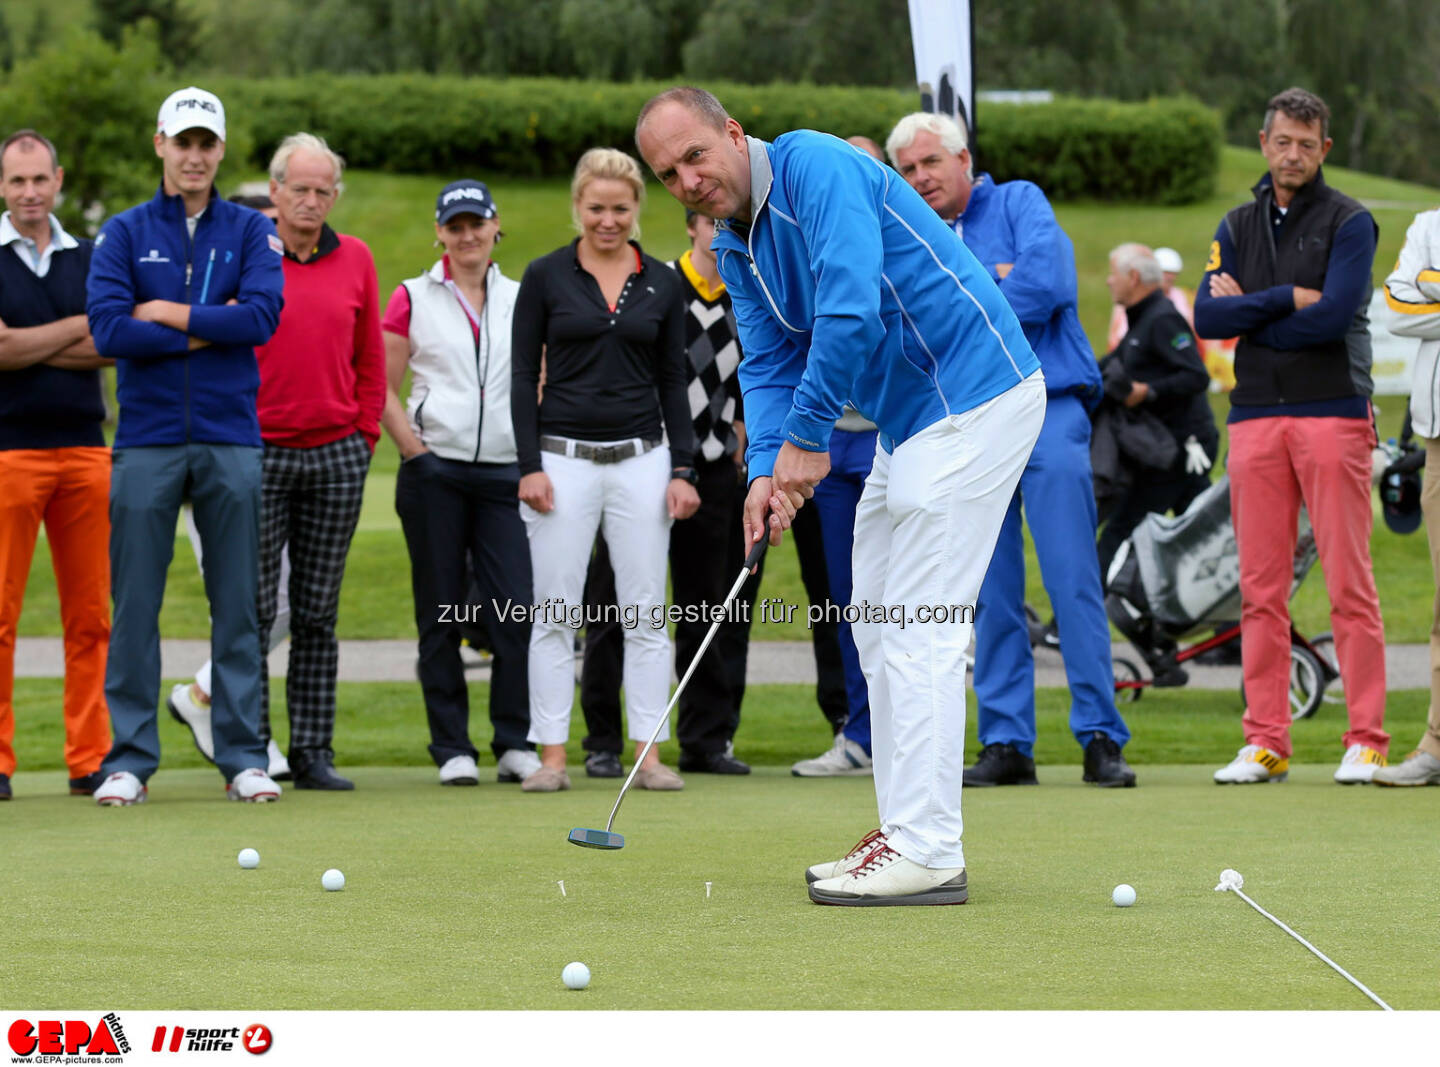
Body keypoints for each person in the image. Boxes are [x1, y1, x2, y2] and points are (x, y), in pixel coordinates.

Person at [637, 87, 1045, 906]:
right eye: (667, 174)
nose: (685, 180)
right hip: (911, 422)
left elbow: (850, 310)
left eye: (694, 156)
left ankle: (930, 848)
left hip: (976, 394)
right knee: (874, 622)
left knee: (921, 625)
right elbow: (766, 361)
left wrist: (808, 440)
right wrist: (766, 473)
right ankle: (902, 833)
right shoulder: (734, 243)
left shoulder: (815, 164)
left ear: (733, 133)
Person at [887, 110, 1137, 789]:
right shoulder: (909, 234)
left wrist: (960, 311)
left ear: (964, 160)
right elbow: (906, 328)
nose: (920, 178)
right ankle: (1006, 742)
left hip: (1050, 407)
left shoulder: (1019, 200)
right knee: (987, 589)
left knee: (1070, 578)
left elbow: (1047, 284)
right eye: (907, 170)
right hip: (967, 423)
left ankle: (1099, 736)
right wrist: (992, 290)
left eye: (930, 163)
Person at [85, 86, 285, 806]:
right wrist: (211, 323)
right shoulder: (124, 232)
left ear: (221, 150)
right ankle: (130, 757)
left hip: (231, 434)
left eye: (207, 144)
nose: (194, 155)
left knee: (237, 602)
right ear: (160, 144)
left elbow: (261, 316)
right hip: (146, 438)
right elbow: (109, 331)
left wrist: (167, 312)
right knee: (135, 602)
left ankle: (242, 754)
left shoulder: (252, 231)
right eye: (183, 142)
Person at [1195, 87, 1389, 785]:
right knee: (1259, 587)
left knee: (1349, 582)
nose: (1294, 154)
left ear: (1324, 149)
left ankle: (1366, 736)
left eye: (1308, 144)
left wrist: (1248, 310)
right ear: (1263, 141)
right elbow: (1207, 320)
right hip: (1254, 415)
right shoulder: (1235, 222)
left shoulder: (1351, 221)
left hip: (1333, 410)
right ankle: (1267, 739)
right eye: (1284, 141)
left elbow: (1334, 316)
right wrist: (1279, 300)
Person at [511, 148, 698, 793]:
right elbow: (518, 377)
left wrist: (684, 468)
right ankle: (552, 757)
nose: (608, 220)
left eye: (621, 208)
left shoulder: (662, 283)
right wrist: (529, 465)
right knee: (555, 613)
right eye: (597, 208)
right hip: (561, 463)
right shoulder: (543, 276)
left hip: (643, 462)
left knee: (646, 613)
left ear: (637, 210)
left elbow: (674, 381)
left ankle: (648, 754)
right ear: (578, 207)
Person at [577, 208, 752, 776]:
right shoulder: (657, 287)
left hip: (716, 471)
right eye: (715, 226)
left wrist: (745, 433)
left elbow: (761, 372)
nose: (725, 237)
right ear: (692, 229)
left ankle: (706, 740)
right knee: (611, 601)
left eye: (736, 229)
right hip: (643, 467)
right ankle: (604, 740)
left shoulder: (751, 293)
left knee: (711, 609)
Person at [381, 179, 540, 787]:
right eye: (456, 225)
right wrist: (416, 454)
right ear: (440, 233)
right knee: (441, 611)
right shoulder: (411, 296)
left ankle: (512, 739)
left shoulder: (523, 297)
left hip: (504, 473)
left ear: (496, 227)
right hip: (435, 472)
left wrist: (530, 459)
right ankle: (451, 745)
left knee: (514, 608)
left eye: (477, 223)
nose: (467, 234)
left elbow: (536, 383)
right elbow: (382, 390)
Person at [240, 133, 383, 791]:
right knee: (255, 608)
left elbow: (369, 360)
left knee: (319, 610)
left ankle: (313, 751)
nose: (311, 200)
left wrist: (363, 436)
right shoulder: (246, 250)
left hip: (336, 453)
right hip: (258, 451)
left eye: (323, 190)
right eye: (299, 188)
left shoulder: (355, 257)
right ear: (275, 190)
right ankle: (247, 749)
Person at [0, 129, 112, 801]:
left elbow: (111, 340)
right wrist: (75, 326)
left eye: (39, 179)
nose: (30, 192)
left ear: (59, 179)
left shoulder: (92, 258)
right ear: (2, 186)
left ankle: (89, 756)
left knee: (90, 614)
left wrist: (28, 342)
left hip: (85, 451)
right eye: (17, 181)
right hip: (7, 450)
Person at [168, 191, 293, 782]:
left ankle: (202, 695)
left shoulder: (269, 288)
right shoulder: (218, 277)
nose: (268, 243)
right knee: (240, 603)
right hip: (217, 456)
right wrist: (215, 321)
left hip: (278, 459)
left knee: (283, 604)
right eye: (259, 230)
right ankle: (248, 737)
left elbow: (253, 322)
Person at [790, 135, 885, 779]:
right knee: (843, 596)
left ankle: (905, 740)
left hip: (890, 434)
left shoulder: (892, 235)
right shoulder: (804, 241)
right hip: (830, 438)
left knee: (898, 598)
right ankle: (858, 733)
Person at [1094, 243, 1217, 577]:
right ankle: (1231, 622)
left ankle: (1065, 627)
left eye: (1112, 274)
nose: (1107, 282)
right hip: (1163, 449)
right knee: (1209, 538)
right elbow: (1106, 367)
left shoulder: (1161, 319)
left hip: (1177, 450)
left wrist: (1147, 392)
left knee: (1119, 531)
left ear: (1133, 278)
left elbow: (1196, 375)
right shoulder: (1141, 320)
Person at [1372, 209, 1440, 785]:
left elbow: (1418, 296)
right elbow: (1397, 308)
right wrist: (1419, 287)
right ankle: (1438, 744)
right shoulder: (1428, 225)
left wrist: (1432, 284)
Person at [1106, 246, 1194, 352]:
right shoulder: (1132, 307)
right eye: (1165, 272)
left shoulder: (1171, 309)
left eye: (1172, 273)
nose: (1169, 277)